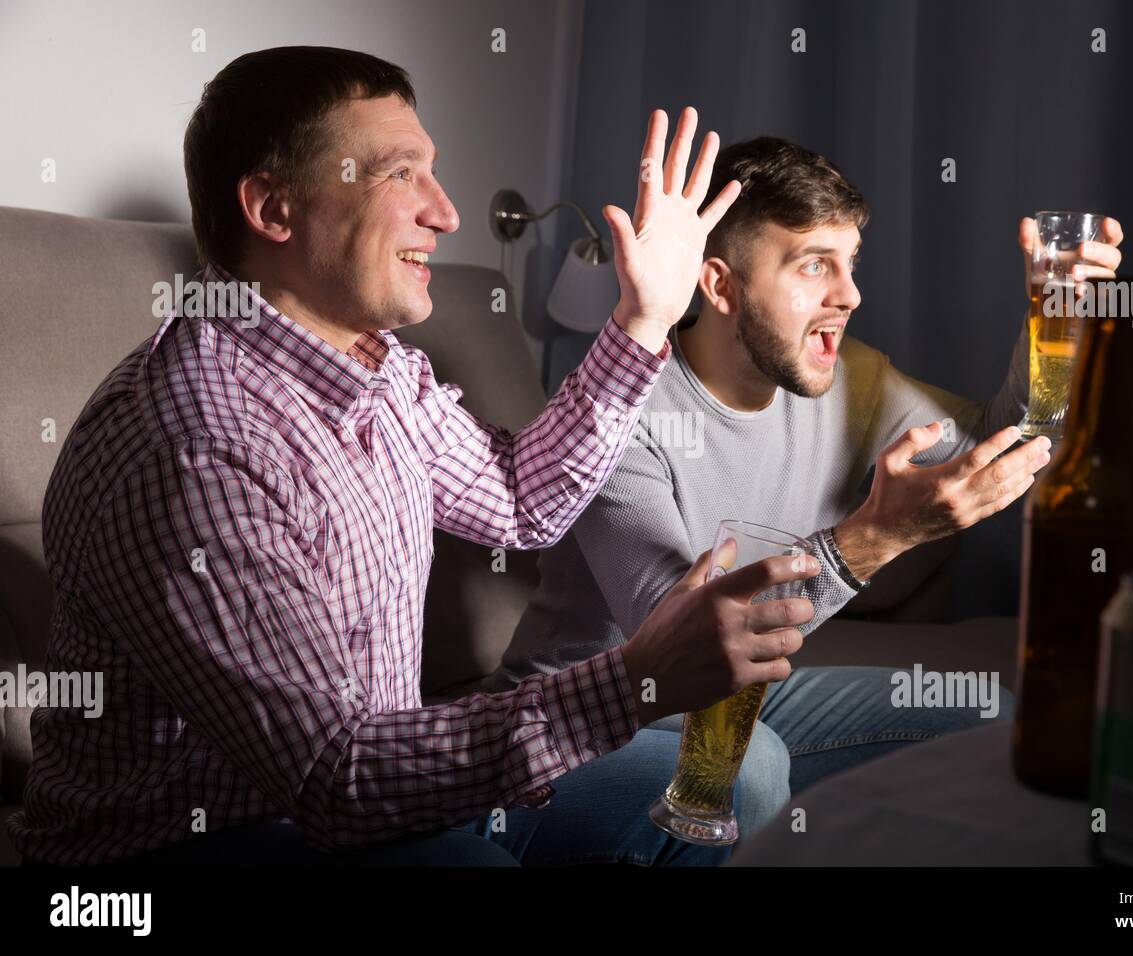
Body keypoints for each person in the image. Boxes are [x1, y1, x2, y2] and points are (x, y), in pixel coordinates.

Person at [9, 47, 819, 867]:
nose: (447, 212)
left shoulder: (378, 365)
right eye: (402, 175)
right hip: (202, 840)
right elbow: (333, 776)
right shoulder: (197, 447)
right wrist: (629, 679)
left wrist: (645, 318)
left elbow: (518, 498)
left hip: (379, 781)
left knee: (746, 773)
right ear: (273, 208)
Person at [491, 136, 1125, 818]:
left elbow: (1004, 451)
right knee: (754, 765)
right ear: (720, 284)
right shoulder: (617, 410)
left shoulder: (850, 378)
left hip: (745, 695)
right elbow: (686, 640)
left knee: (982, 713)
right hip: (587, 720)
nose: (850, 294)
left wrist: (1056, 323)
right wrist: (876, 539)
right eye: (813, 266)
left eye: (850, 263)